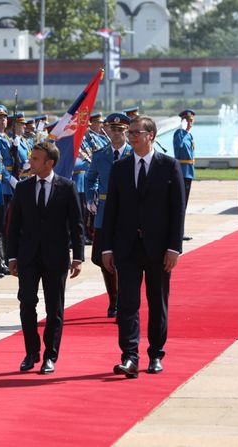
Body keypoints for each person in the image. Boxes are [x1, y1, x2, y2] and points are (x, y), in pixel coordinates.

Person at [101, 116, 185, 378]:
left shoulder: (168, 166)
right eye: (130, 132)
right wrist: (107, 248)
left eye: (136, 132)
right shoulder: (121, 167)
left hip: (159, 249)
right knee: (127, 304)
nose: (131, 136)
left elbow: (177, 211)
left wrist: (174, 247)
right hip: (127, 248)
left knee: (157, 302)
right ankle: (129, 356)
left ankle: (156, 354)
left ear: (151, 135)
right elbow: (111, 209)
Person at [7, 141, 84, 375]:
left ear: (49, 163)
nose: (30, 162)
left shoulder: (66, 187)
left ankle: (50, 355)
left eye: (36, 159)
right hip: (28, 257)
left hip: (56, 257)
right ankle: (31, 352)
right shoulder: (23, 188)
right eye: (31, 157)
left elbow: (76, 225)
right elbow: (13, 226)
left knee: (55, 309)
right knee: (27, 303)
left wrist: (78, 257)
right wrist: (11, 256)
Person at [86, 113, 132, 318]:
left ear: (126, 132)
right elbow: (90, 178)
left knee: (126, 258)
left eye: (120, 130)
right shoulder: (100, 154)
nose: (116, 134)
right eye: (112, 130)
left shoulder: (133, 154)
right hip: (104, 211)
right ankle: (113, 297)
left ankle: (123, 300)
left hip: (126, 212)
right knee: (100, 257)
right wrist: (90, 198)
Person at [173, 109, 195, 241]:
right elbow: (179, 147)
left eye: (192, 121)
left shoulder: (188, 134)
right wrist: (182, 131)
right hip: (182, 172)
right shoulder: (179, 134)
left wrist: (186, 132)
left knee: (184, 204)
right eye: (188, 121)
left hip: (188, 172)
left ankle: (180, 232)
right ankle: (177, 233)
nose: (190, 124)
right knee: (180, 204)